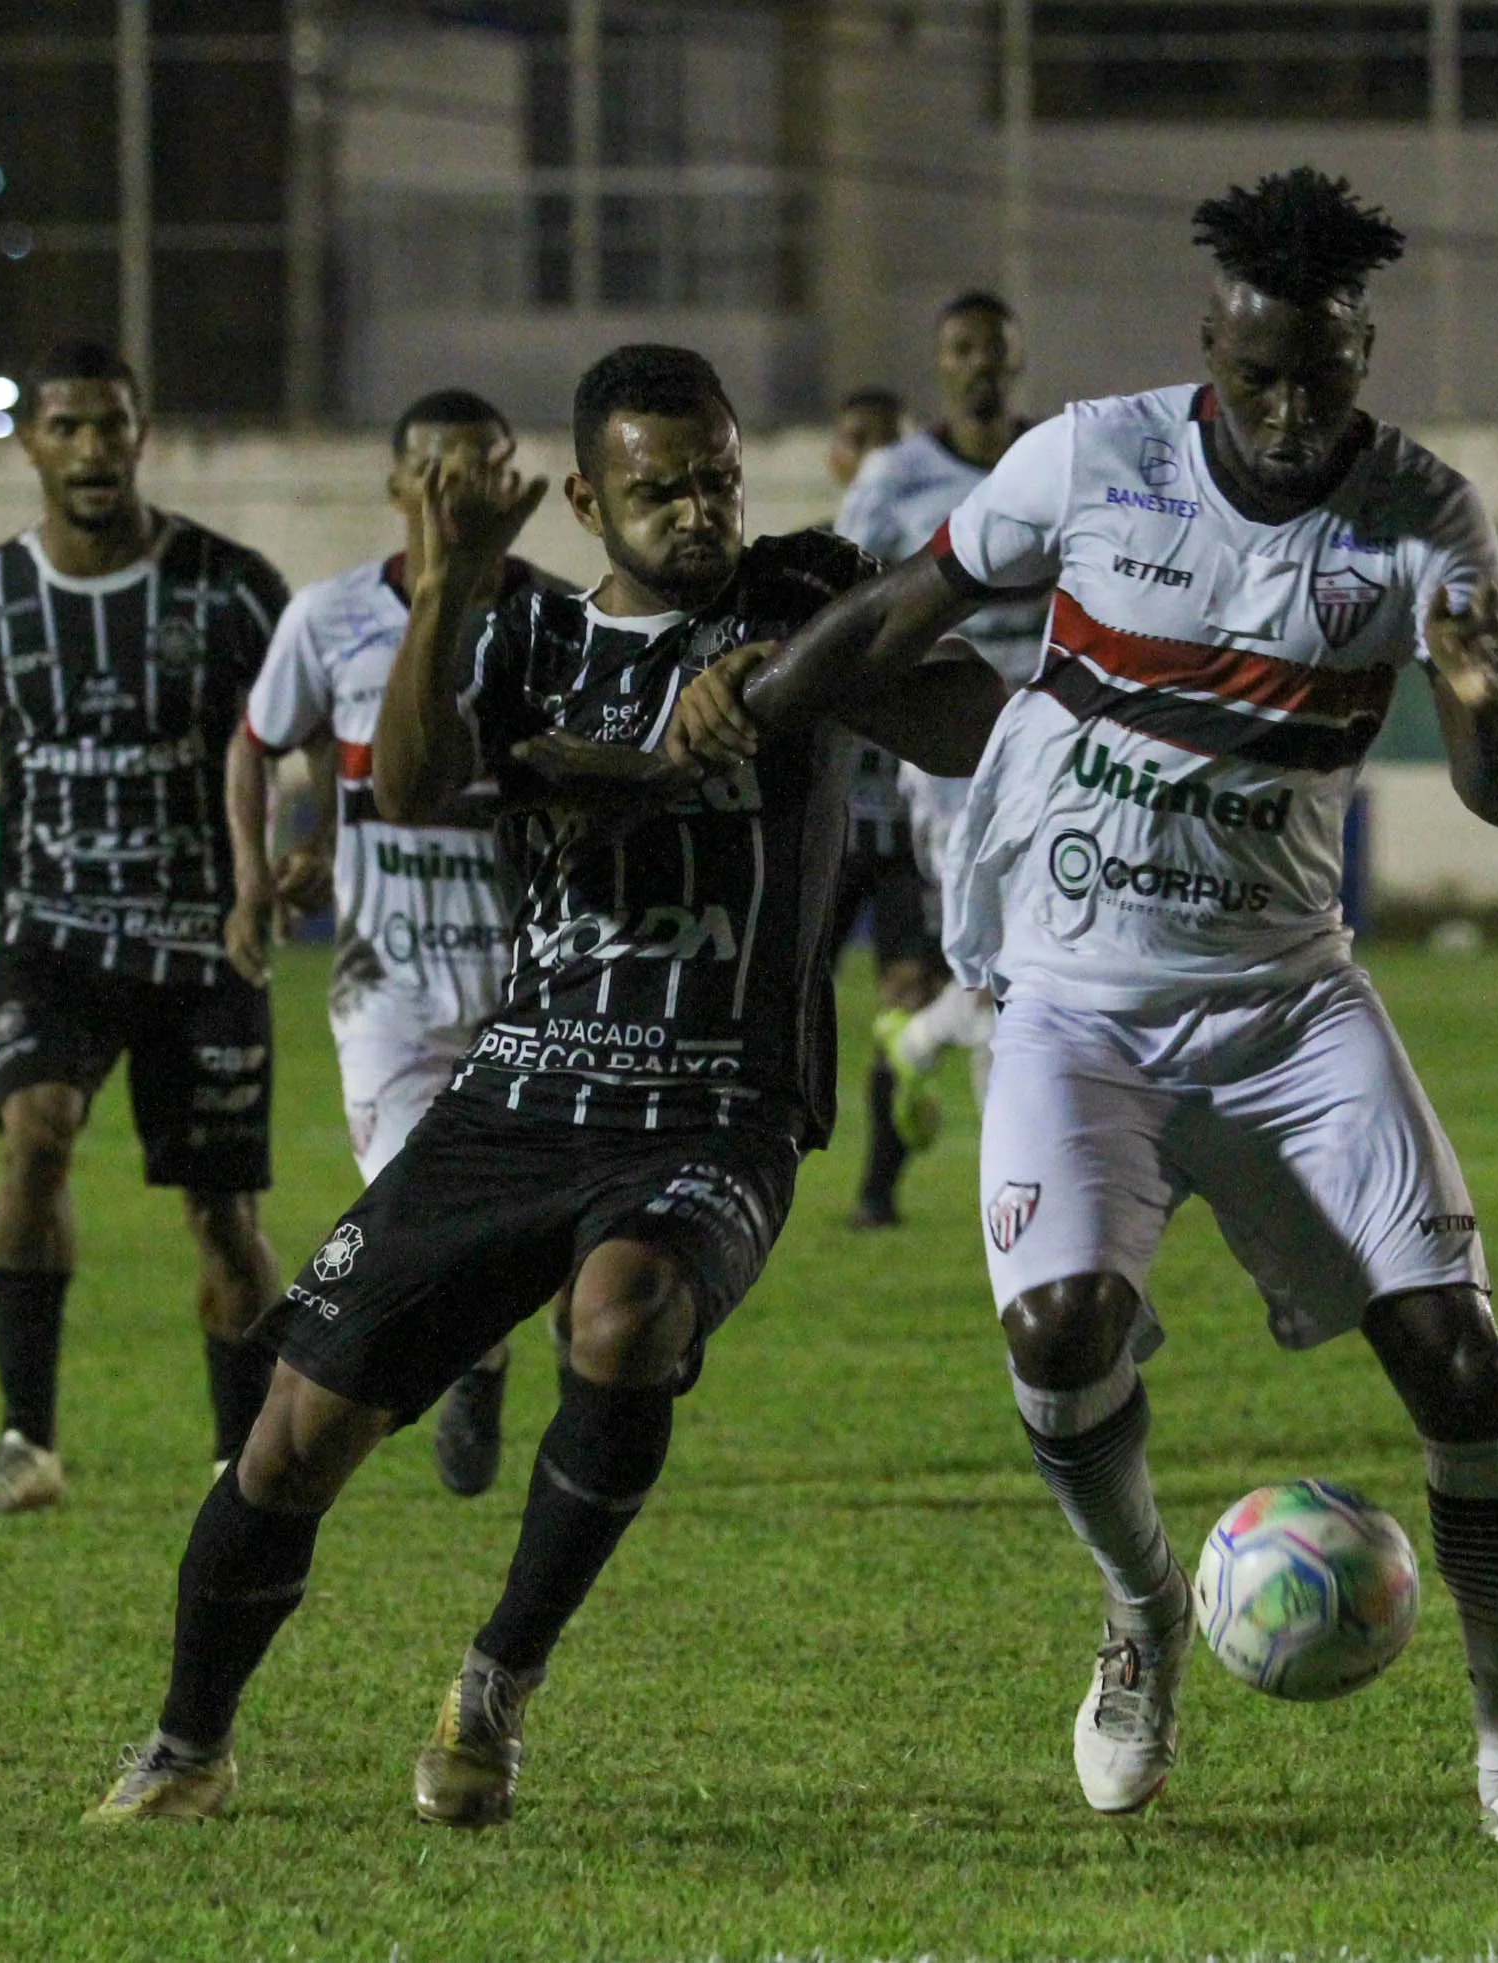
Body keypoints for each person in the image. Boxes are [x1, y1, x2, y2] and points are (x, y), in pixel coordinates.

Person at [662, 170, 1498, 1849]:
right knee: (1058, 1334)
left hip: (1285, 1009)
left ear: (1363, 354)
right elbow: (911, 608)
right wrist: (754, 696)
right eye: (1256, 374)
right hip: (1078, 1009)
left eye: (1320, 377)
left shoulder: (1422, 517)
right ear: (1208, 343)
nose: (1285, 409)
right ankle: (1142, 1609)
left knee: (1462, 1366)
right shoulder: (1092, 460)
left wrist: (1479, 704)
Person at [85, 344, 1001, 1827]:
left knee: (624, 1310)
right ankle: (189, 1742)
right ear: (584, 498)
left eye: (715, 477)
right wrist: (451, 583)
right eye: (659, 490)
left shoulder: (799, 592)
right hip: (521, 1087)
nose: (699, 511)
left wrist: (784, 685)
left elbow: (969, 718)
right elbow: (417, 788)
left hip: (721, 1095)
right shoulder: (520, 634)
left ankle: (494, 1685)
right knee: (294, 1424)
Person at [0, 339, 289, 1512]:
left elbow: (292, 737)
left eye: (110, 425)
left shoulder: (229, 586)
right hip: (54, 932)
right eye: (66, 427)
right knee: (35, 1139)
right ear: (29, 443)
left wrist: (273, 870)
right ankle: (28, 1441)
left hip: (202, 943)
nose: (90, 449)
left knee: (222, 1217)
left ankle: (247, 1462)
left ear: (142, 435)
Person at [226, 388, 574, 1501]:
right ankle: (473, 1358)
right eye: (440, 471)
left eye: (485, 469)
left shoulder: (558, 621)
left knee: (564, 1251)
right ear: (398, 486)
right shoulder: (330, 617)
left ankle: (522, 1382)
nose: (462, 493)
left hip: (539, 986)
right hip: (391, 993)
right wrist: (259, 871)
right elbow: (261, 742)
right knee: (423, 1224)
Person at [834, 292, 1051, 1148]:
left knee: (1036, 949)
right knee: (998, 951)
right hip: (949, 753)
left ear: (1017, 358)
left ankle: (1012, 1141)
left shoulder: (1054, 459)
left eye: (994, 349)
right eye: (961, 349)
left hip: (1053, 741)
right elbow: (849, 602)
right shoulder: (894, 479)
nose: (980, 365)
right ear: (941, 364)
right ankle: (936, 1047)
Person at [818, 383, 937, 1225]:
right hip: (829, 825)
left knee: (904, 1002)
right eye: (861, 441)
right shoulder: (814, 566)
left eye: (890, 443)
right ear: (837, 457)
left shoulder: (943, 569)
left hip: (913, 825)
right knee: (783, 993)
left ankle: (876, 1191)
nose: (876, 460)